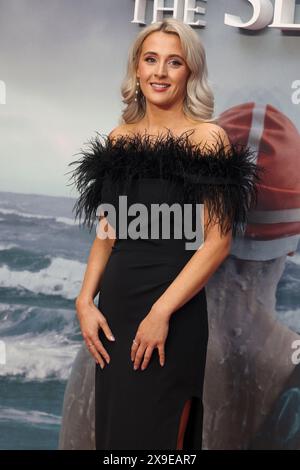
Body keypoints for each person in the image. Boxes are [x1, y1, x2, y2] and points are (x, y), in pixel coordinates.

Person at [66, 18, 261, 450]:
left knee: (160, 445)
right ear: (136, 68)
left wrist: (160, 313)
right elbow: (107, 232)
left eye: (174, 63)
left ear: (189, 73)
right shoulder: (119, 140)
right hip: (116, 315)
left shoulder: (207, 138)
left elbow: (218, 241)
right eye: (150, 59)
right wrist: (84, 301)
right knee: (118, 443)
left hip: (173, 313)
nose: (160, 72)